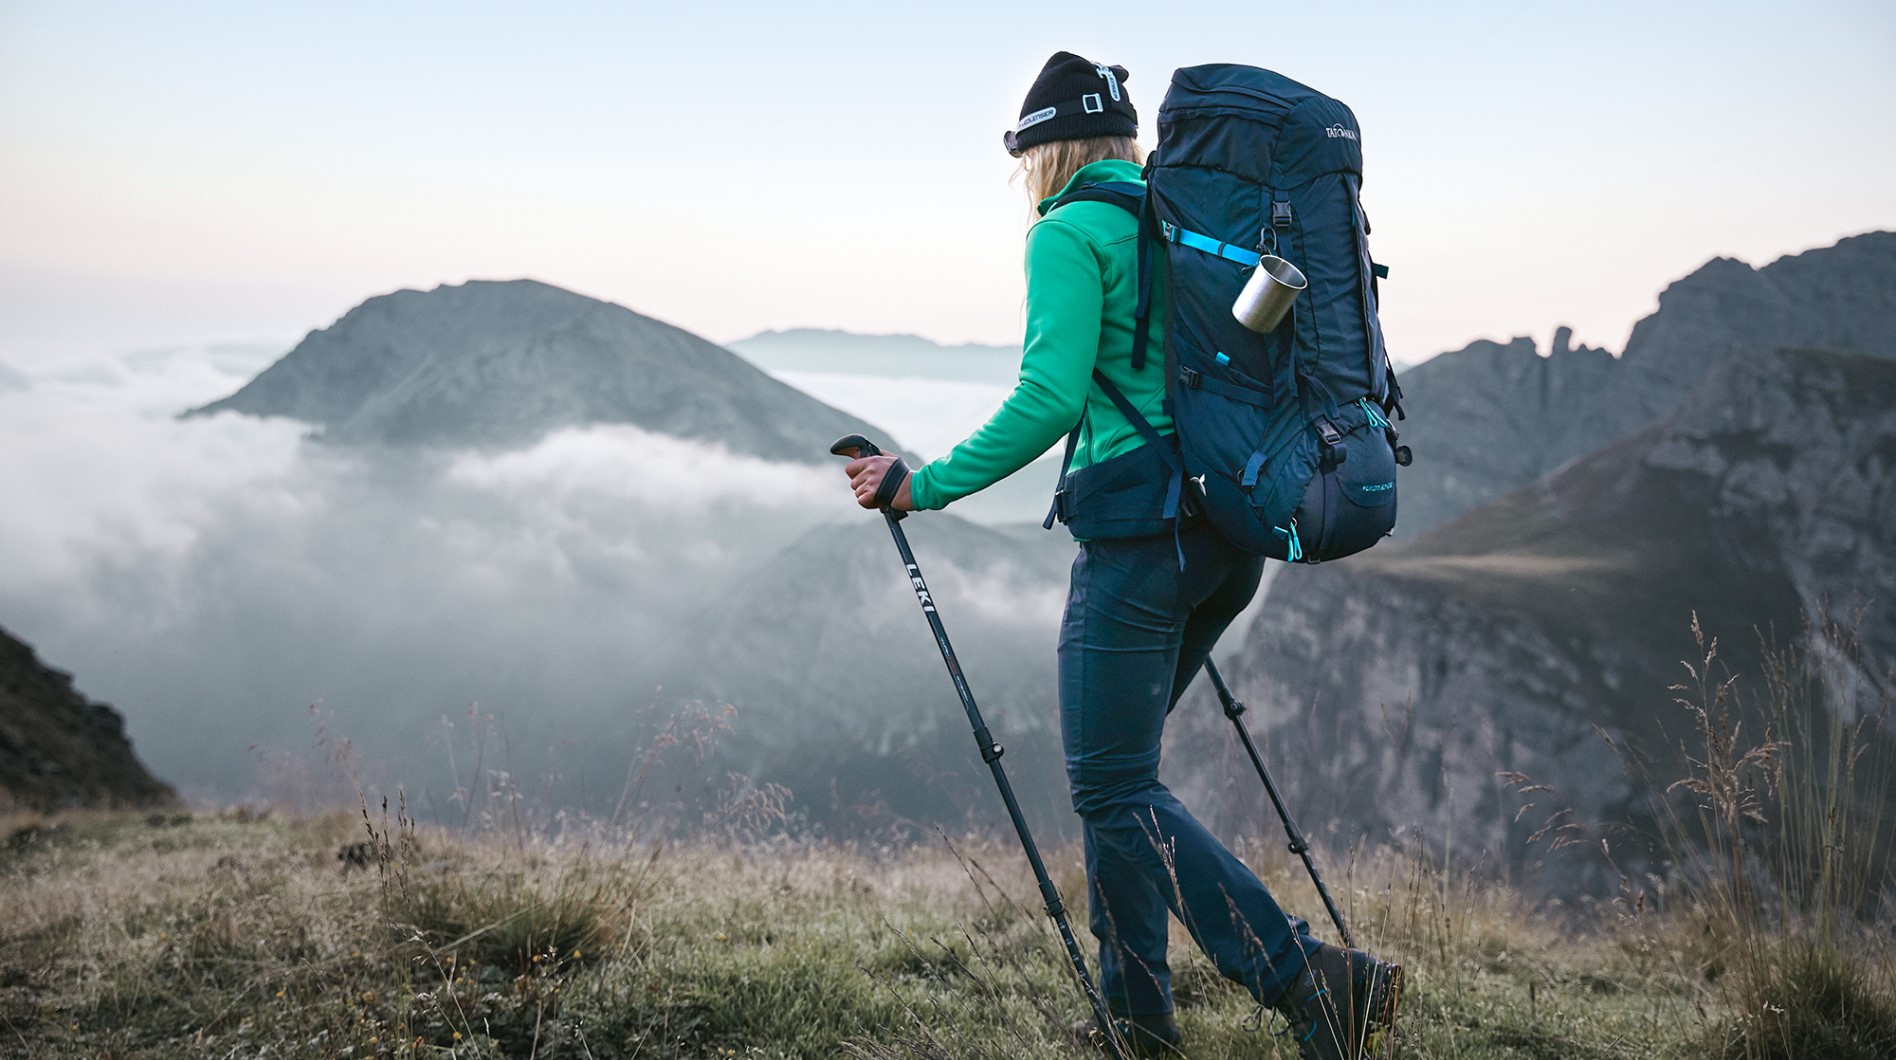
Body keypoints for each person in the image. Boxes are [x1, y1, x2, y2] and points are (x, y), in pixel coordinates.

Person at [841, 51, 1401, 1059]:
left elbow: (1048, 400)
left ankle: (1309, 978)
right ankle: (1139, 1019)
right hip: (1226, 543)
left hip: (1138, 543)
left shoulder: (1070, 234)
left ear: (1045, 153)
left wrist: (919, 483)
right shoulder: (1181, 219)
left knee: (1108, 786)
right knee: (1123, 781)